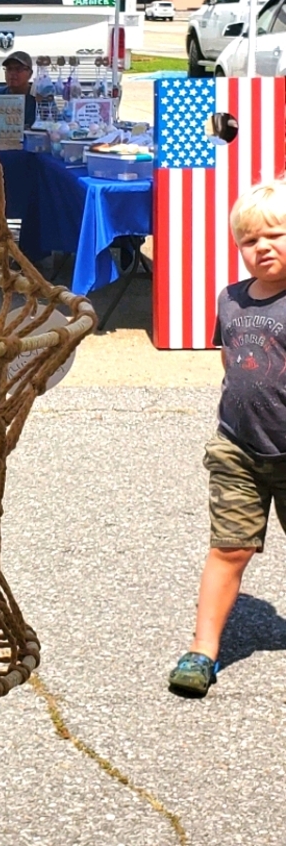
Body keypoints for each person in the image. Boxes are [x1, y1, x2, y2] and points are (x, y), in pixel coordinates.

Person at [168, 181, 286, 697]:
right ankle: (203, 650)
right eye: (249, 240)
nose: (261, 247)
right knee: (229, 548)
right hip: (237, 447)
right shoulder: (232, 298)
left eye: (275, 235)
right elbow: (231, 358)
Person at [0, 51, 37, 130]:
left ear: (30, 73)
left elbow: (55, 127)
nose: (12, 73)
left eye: (18, 69)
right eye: (9, 69)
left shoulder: (40, 97)